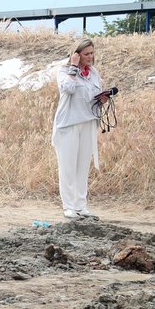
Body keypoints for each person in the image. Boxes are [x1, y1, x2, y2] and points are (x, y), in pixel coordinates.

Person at [52, 39, 109, 220]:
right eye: (86, 54)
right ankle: (68, 206)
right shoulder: (64, 71)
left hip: (88, 122)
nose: (90, 57)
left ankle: (81, 205)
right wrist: (74, 68)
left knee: (82, 167)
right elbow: (67, 89)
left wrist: (101, 99)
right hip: (68, 124)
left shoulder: (94, 73)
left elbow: (91, 96)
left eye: (92, 53)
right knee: (68, 167)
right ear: (76, 54)